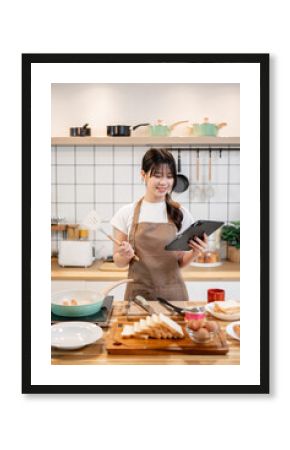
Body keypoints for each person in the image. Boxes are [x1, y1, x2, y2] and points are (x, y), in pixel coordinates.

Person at [110, 148, 208, 302]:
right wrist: (124, 255)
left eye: (169, 176)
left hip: (174, 297)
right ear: (143, 175)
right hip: (138, 296)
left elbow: (180, 262)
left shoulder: (180, 213)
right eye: (157, 175)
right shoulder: (126, 213)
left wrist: (195, 252)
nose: (164, 182)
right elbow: (118, 262)